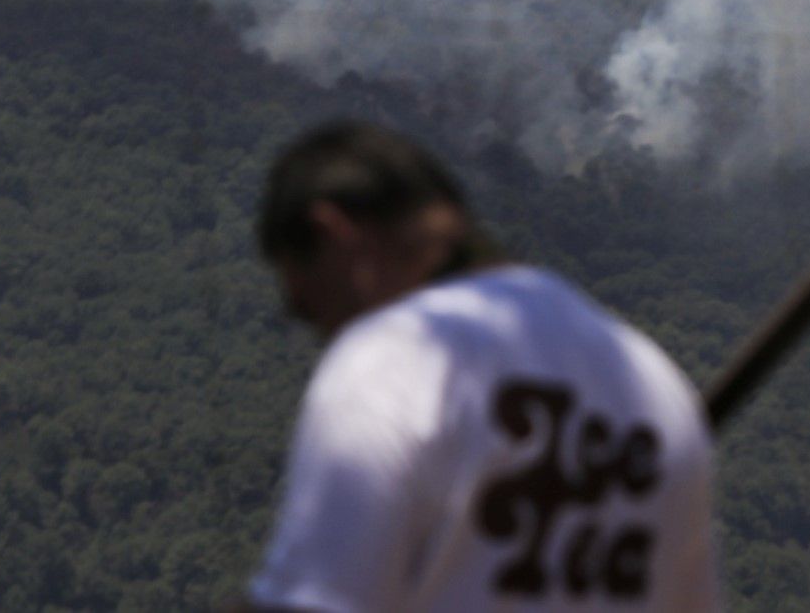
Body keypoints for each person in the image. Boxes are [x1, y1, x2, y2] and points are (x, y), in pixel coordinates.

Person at [237, 120, 721, 612]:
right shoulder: (654, 380)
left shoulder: (392, 361)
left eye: (306, 307)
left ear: (335, 234)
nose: (322, 334)